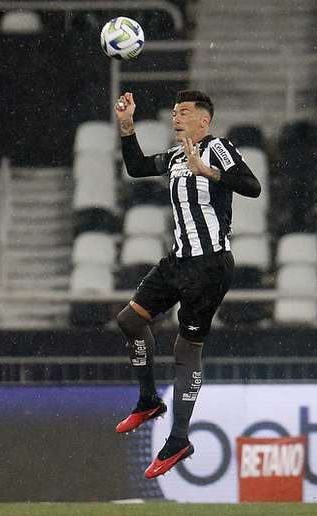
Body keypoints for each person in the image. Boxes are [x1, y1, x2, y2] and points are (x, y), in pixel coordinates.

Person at [112, 90, 261, 479]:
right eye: (174, 112)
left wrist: (208, 171)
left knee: (185, 349)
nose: (176, 118)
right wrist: (127, 126)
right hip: (177, 261)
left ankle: (179, 439)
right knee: (129, 320)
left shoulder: (218, 148)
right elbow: (138, 167)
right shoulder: (178, 156)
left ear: (204, 121)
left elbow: (251, 185)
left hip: (210, 264)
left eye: (184, 112)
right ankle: (148, 401)